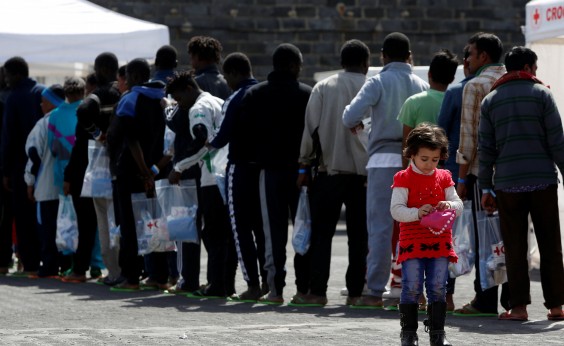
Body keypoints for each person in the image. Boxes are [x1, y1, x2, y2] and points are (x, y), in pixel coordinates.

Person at [342, 32, 428, 308]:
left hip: (381, 161)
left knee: (379, 228)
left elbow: (349, 116)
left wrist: (364, 127)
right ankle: (410, 287)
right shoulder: (420, 84)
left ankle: (374, 291)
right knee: (412, 227)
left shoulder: (377, 81)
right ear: (409, 56)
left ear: (383, 56)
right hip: (414, 164)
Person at [479, 46, 564, 321]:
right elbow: (557, 142)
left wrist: (485, 187)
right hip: (542, 182)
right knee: (550, 243)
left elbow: (486, 150)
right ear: (527, 68)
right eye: (535, 68)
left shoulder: (491, 100)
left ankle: (518, 308)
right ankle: (556, 306)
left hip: (507, 184)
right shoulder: (542, 94)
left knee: (515, 247)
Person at [291, 39, 370, 307]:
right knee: (359, 237)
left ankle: (317, 291)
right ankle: (357, 293)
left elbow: (310, 130)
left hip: (329, 173)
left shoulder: (324, 87)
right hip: (364, 177)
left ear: (341, 62)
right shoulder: (372, 87)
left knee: (322, 235)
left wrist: (304, 164)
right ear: (366, 63)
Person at [238, 43, 312, 304]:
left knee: (273, 233)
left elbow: (242, 135)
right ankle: (303, 289)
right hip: (302, 173)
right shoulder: (307, 94)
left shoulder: (255, 94)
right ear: (293, 66)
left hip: (268, 173)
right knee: (303, 229)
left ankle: (276, 289)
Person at [454, 32, 510, 316]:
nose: (468, 59)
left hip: (481, 174)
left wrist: (462, 180)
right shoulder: (509, 80)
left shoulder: (474, 86)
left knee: (484, 237)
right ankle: (512, 299)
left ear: (483, 57)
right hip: (511, 174)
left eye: (471, 54)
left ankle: (485, 298)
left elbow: (468, 139)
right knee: (509, 236)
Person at [164, 71, 234, 297]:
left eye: (179, 98)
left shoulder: (197, 109)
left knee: (212, 233)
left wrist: (179, 167)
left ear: (188, 90)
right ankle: (224, 283)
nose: (179, 105)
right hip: (226, 174)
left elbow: (201, 142)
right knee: (223, 233)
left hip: (212, 176)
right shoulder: (218, 101)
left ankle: (216, 285)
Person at [390, 123, 461, 346]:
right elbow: (396, 210)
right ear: (411, 154)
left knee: (439, 287)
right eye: (424, 158)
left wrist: (448, 204)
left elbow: (459, 205)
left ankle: (438, 333)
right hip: (412, 242)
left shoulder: (444, 177)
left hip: (439, 241)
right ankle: (408, 333)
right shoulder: (403, 178)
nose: (430, 164)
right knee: (411, 286)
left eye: (435, 159)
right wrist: (417, 213)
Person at [208, 52, 267, 301]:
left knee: (240, 228)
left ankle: (252, 283)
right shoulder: (265, 92)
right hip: (264, 168)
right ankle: (268, 282)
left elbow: (221, 136)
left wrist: (206, 143)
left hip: (240, 168)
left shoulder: (235, 97)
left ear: (233, 73)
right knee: (262, 229)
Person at [107, 58, 167, 291]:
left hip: (132, 172)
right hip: (156, 170)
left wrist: (143, 172)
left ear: (132, 76)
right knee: (154, 223)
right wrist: (152, 172)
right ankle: (160, 276)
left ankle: (131, 278)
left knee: (130, 225)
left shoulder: (129, 99)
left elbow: (130, 140)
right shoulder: (162, 99)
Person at [63, 53, 121, 284]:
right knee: (120, 221)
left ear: (98, 70)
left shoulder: (99, 95)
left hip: (96, 172)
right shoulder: (124, 93)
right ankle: (125, 271)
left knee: (98, 223)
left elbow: (82, 113)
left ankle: (110, 270)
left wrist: (99, 135)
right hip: (125, 166)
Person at [437, 45, 475, 312]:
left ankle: (447, 296)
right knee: (485, 234)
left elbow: (440, 135)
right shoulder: (493, 87)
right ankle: (485, 295)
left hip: (452, 174)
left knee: (447, 237)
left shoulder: (454, 92)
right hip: (482, 173)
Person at [0, 56, 45, 276]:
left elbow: (8, 137)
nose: (6, 80)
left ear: (17, 74)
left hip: (20, 165)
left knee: (23, 214)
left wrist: (6, 171)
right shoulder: (41, 92)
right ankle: (47, 259)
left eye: (7, 75)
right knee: (43, 213)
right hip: (46, 164)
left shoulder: (14, 97)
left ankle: (29, 263)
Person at [142, 44, 180, 290]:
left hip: (148, 166)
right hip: (175, 167)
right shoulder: (182, 89)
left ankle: (154, 274)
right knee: (176, 221)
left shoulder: (143, 90)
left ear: (155, 63)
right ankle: (175, 274)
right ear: (176, 64)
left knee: (152, 221)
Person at [24, 84, 67, 278]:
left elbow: (34, 155)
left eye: (43, 101)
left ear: (49, 102)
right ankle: (68, 265)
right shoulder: (70, 118)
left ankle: (49, 267)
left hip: (46, 186)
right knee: (68, 225)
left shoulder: (43, 123)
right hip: (69, 186)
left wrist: (30, 182)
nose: (41, 105)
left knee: (48, 228)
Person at [398, 49, 459, 168]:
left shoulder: (413, 102)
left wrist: (404, 172)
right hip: (447, 171)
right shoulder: (456, 102)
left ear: (429, 74)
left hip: (419, 172)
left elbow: (407, 143)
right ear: (452, 79)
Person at [0, 66, 14, 275]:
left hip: (6, 167)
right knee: (7, 216)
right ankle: (4, 260)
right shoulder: (8, 101)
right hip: (8, 167)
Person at [187, 36, 231, 100]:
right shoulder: (227, 83)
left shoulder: (195, 83)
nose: (190, 60)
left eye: (191, 56)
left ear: (197, 56)